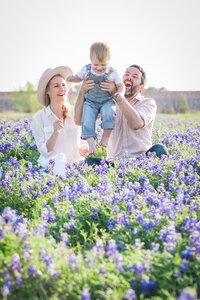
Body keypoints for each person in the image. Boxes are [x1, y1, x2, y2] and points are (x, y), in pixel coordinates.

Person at [74, 64, 168, 166]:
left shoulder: (148, 103)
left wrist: (117, 95)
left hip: (141, 162)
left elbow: (136, 123)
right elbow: (79, 120)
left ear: (141, 87)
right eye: (127, 74)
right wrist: (82, 91)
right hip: (114, 164)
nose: (129, 77)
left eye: (134, 76)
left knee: (159, 149)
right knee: (89, 162)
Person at [67, 42, 124, 154]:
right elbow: (79, 77)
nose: (99, 68)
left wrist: (120, 93)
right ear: (91, 60)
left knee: (109, 113)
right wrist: (72, 78)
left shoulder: (113, 72)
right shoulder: (87, 69)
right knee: (87, 118)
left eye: (103, 65)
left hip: (107, 100)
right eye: (96, 64)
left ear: (109, 60)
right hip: (90, 101)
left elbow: (120, 85)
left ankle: (106, 137)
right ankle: (91, 145)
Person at [32, 66, 89, 176]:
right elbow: (44, 151)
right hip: (50, 168)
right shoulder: (39, 118)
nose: (62, 89)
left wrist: (84, 147)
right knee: (59, 160)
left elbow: (84, 140)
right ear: (47, 91)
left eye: (63, 85)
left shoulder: (76, 112)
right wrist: (55, 133)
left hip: (76, 166)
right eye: (56, 86)